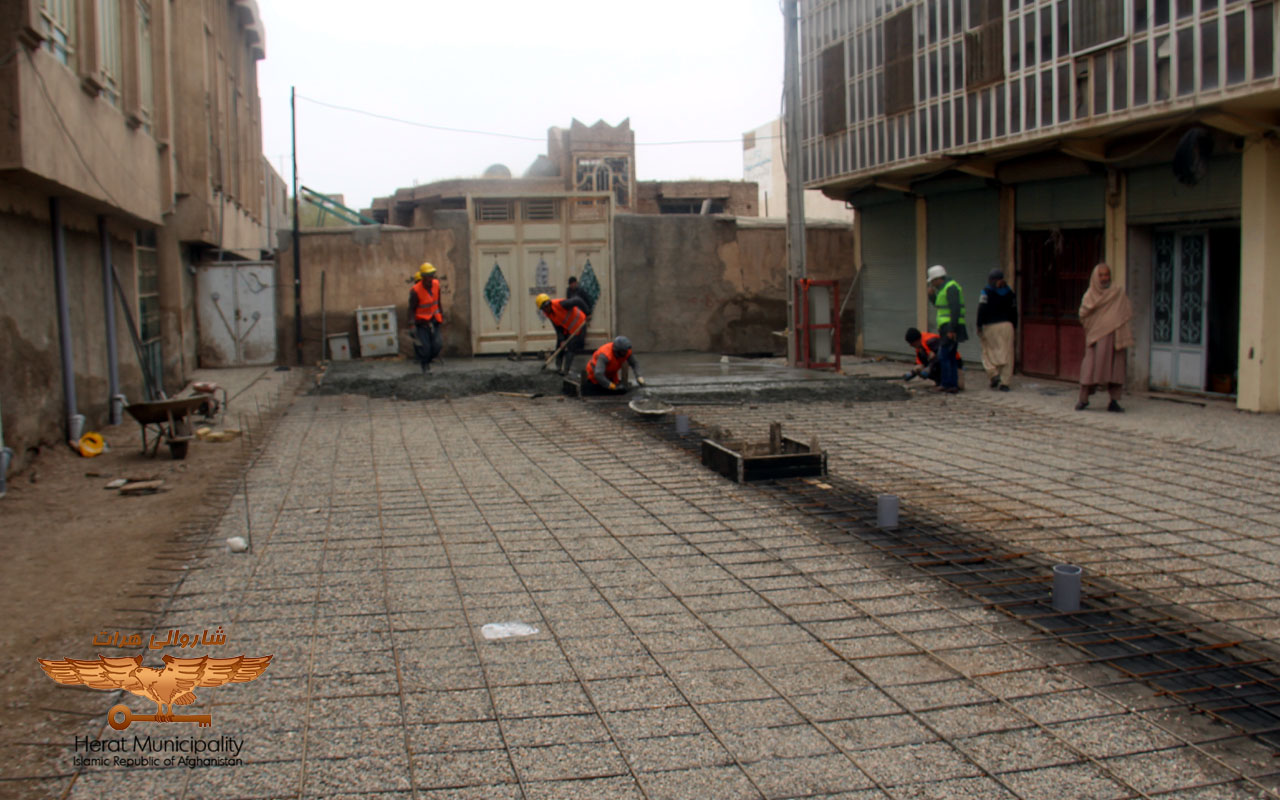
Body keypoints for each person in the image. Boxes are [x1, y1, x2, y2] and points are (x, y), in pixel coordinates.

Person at [1076, 262, 1134, 412]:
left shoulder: (1117, 292)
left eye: (1106, 274)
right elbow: (1083, 315)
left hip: (1115, 337)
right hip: (1096, 339)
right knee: (1089, 368)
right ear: (1095, 277)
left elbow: (1125, 311)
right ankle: (1083, 400)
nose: (1104, 278)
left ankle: (1114, 401)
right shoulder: (1089, 295)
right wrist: (1096, 327)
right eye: (1101, 275)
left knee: (1116, 370)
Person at [926, 265, 967, 393]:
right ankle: (951, 384)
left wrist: (951, 329)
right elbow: (939, 306)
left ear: (938, 279)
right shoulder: (944, 289)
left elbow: (955, 310)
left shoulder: (951, 288)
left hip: (950, 327)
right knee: (949, 356)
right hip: (946, 327)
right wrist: (932, 296)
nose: (932, 284)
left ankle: (947, 383)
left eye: (933, 281)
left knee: (944, 355)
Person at [976, 268, 1017, 391]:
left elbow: (981, 309)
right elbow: (1014, 311)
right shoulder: (1010, 293)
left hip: (991, 326)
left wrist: (979, 325)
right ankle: (1005, 382)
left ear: (991, 280)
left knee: (987, 351)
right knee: (1007, 353)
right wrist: (1015, 326)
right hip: (1007, 326)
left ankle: (993, 374)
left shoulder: (986, 292)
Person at [535, 293, 590, 375]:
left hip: (579, 324)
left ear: (550, 303)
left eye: (547, 305)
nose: (547, 308)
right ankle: (558, 367)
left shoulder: (561, 304)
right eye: (544, 308)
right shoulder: (549, 314)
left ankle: (566, 371)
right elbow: (558, 329)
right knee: (559, 345)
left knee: (571, 346)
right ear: (542, 309)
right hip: (568, 328)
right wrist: (562, 340)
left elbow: (578, 300)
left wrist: (588, 313)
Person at [408, 262, 443, 373]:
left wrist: (441, 315)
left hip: (434, 319)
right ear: (422, 277)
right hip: (421, 322)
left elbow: (438, 301)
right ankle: (425, 365)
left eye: (432, 275)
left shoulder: (436, 285)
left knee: (437, 345)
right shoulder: (415, 291)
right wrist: (412, 325)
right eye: (428, 276)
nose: (430, 278)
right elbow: (411, 309)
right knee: (425, 348)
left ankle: (428, 360)